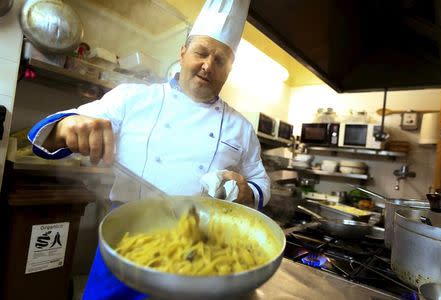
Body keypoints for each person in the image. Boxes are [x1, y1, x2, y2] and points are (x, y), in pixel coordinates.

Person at [27, 0, 270, 299]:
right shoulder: (133, 98)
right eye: (201, 53)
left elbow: (261, 184)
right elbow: (44, 135)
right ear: (182, 53)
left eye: (221, 61)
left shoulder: (241, 128)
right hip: (126, 248)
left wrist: (248, 192)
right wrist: (68, 126)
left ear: (228, 71)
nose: (208, 66)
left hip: (200, 260)